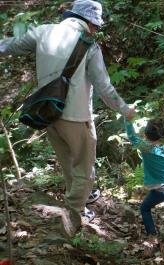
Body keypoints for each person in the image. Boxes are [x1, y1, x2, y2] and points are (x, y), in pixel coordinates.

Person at [0, 0, 135, 236]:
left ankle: (79, 198)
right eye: (96, 26)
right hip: (77, 116)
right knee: (84, 165)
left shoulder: (44, 31)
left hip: (48, 113)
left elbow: (9, 46)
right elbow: (104, 88)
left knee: (66, 161)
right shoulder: (89, 45)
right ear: (90, 23)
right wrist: (126, 110)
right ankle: (75, 212)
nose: (96, 30)